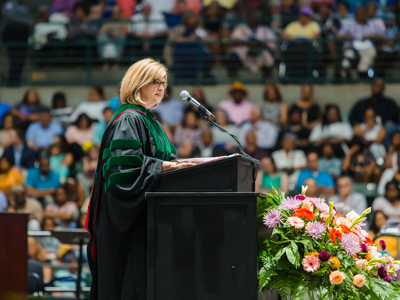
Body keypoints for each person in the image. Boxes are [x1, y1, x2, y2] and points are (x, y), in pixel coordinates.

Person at [85, 58, 195, 300]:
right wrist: (164, 166)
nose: (161, 88)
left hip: (151, 223)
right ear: (138, 83)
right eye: (155, 81)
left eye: (164, 83)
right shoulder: (129, 119)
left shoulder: (149, 121)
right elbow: (124, 174)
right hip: (131, 228)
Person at [337, 6, 385, 78]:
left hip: (367, 48)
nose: (360, 15)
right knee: (348, 55)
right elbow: (338, 36)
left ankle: (361, 73)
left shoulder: (372, 24)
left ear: (366, 14)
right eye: (358, 14)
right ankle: (347, 76)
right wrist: (348, 37)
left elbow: (382, 35)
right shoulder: (348, 24)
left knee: (371, 52)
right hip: (352, 47)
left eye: (362, 13)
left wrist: (372, 36)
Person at [227, 10, 276, 77]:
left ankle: (267, 81)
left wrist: (258, 44)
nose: (252, 18)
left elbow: (272, 43)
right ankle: (231, 80)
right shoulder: (240, 27)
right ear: (247, 18)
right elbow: (233, 40)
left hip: (260, 52)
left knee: (268, 57)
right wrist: (248, 43)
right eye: (250, 17)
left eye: (254, 17)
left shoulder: (264, 29)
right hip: (244, 52)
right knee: (233, 56)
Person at [1, 0, 33, 86]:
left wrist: (29, 22)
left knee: (21, 59)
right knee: (16, 58)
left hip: (23, 34)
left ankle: (16, 81)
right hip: (13, 33)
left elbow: (28, 18)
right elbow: (10, 16)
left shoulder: (22, 5)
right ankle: (12, 82)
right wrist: (26, 23)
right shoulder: (10, 4)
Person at [97, 5, 129, 70]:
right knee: (100, 38)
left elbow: (126, 32)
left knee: (121, 38)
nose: (114, 14)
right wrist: (109, 35)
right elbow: (101, 31)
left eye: (116, 12)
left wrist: (117, 33)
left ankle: (116, 62)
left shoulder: (124, 22)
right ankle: (105, 62)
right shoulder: (108, 21)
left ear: (120, 13)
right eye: (113, 13)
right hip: (108, 39)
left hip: (118, 39)